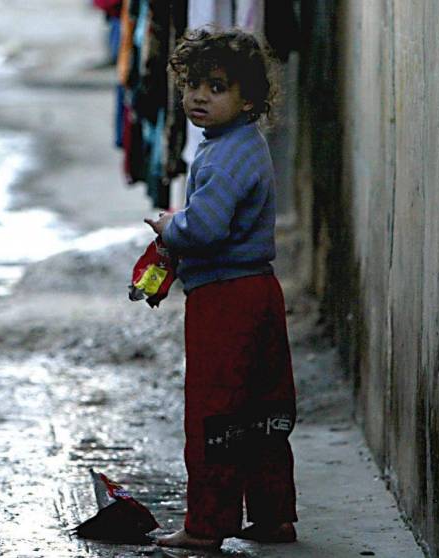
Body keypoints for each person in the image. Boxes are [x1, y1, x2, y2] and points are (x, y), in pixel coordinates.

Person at [143, 26, 298, 550]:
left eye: (216, 86)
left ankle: (206, 525)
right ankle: (275, 515)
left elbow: (206, 229)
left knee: (215, 412)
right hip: (258, 292)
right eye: (192, 85)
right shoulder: (238, 145)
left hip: (226, 301)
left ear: (249, 98)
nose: (198, 97)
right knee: (262, 410)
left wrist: (170, 225)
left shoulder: (227, 156)